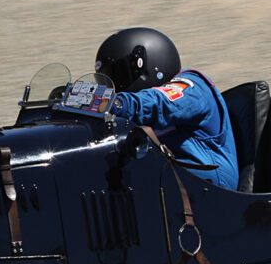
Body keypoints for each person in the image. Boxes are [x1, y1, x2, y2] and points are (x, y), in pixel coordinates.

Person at [96, 27, 238, 189]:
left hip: (211, 188)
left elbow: (160, 103)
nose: (112, 87)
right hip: (171, 185)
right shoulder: (130, 109)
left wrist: (118, 103)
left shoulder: (192, 85)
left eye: (116, 77)